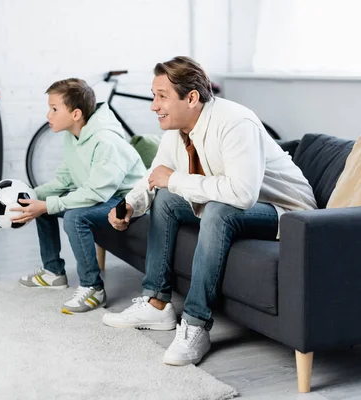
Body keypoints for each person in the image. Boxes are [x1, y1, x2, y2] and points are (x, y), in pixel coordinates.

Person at [102, 56, 317, 366]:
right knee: (165, 198)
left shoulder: (234, 122)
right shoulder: (176, 131)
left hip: (287, 212)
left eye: (161, 96)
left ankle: (196, 324)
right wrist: (129, 207)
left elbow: (242, 194)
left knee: (217, 210)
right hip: (239, 204)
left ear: (191, 98)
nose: (153, 105)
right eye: (154, 95)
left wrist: (174, 179)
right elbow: (155, 176)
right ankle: (157, 303)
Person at [11, 78, 146, 314]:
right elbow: (65, 178)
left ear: (75, 114)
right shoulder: (73, 135)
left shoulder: (105, 141)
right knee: (42, 205)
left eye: (54, 109)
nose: (48, 115)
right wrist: (30, 197)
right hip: (104, 194)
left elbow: (96, 192)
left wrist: (47, 205)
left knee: (73, 217)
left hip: (126, 200)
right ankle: (54, 272)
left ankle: (93, 288)